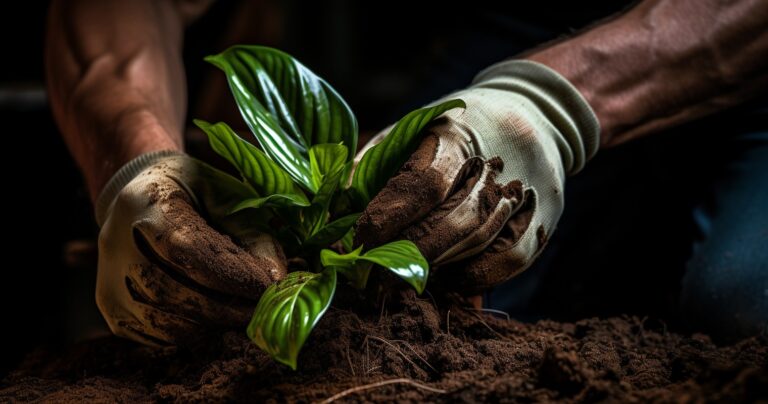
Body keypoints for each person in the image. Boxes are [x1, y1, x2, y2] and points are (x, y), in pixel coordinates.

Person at [46, 0, 768, 345]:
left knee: (741, 302)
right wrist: (133, 163)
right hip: (537, 18)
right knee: (416, 296)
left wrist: (548, 102)